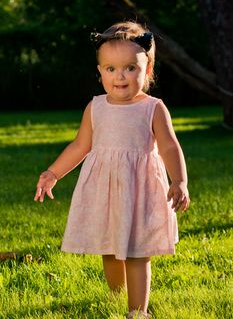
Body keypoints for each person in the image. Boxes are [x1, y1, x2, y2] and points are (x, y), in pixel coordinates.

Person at [34, 21, 190, 319]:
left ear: (147, 71)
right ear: (100, 72)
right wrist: (53, 172)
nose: (120, 76)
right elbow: (81, 146)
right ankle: (117, 297)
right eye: (111, 69)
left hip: (140, 189)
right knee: (109, 247)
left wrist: (179, 180)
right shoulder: (96, 107)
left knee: (135, 251)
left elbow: (170, 146)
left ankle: (137, 311)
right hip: (105, 191)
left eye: (130, 68)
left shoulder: (153, 107)